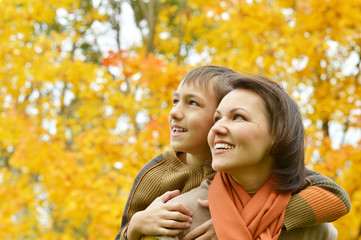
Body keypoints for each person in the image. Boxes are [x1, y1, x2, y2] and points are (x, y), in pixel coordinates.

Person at [115, 66, 350, 240]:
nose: (175, 112)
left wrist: (257, 219)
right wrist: (134, 227)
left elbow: (336, 196)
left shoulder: (315, 229)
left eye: (192, 103)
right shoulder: (163, 184)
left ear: (277, 135)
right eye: (175, 101)